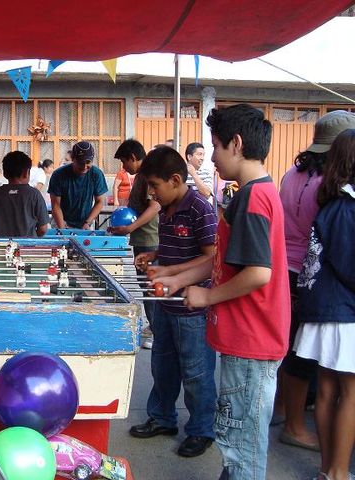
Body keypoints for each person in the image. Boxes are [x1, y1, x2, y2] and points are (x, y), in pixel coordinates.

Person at [154, 104, 290, 479]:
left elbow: (259, 273)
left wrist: (207, 296)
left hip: (253, 338)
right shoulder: (249, 193)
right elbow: (225, 262)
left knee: (242, 445)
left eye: (215, 146)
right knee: (235, 440)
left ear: (237, 143)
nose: (211, 157)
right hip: (244, 337)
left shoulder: (254, 198)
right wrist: (181, 279)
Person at [128, 146, 218, 459]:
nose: (151, 193)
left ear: (176, 179)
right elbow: (174, 248)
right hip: (166, 305)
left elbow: (210, 258)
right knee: (162, 367)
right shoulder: (166, 209)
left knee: (196, 373)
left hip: (192, 309)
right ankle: (163, 418)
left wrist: (172, 272)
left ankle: (202, 429)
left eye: (154, 185)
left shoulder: (199, 209)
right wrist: (154, 256)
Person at [276, 110, 355, 452]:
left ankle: (284, 413)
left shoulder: (293, 174)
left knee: (294, 351)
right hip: (320, 279)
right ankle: (294, 426)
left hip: (290, 271)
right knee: (308, 362)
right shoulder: (332, 189)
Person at [294, 129, 355, 480]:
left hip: (325, 308)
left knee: (329, 390)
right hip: (342, 311)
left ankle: (328, 469)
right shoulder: (347, 208)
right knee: (347, 393)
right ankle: (338, 471)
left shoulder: (332, 203)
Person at [111, 139, 160, 350]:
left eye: (124, 162)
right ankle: (154, 327)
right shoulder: (141, 175)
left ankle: (158, 331)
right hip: (142, 239)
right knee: (144, 286)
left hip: (149, 240)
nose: (124, 167)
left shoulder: (148, 174)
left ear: (133, 157)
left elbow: (155, 206)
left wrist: (131, 227)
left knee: (150, 287)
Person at [0, 150, 49, 237]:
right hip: (28, 248)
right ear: (26, 173)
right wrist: (31, 238)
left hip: (2, 248)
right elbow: (43, 229)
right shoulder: (35, 194)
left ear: (4, 173)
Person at [48, 141, 108, 229]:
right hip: (60, 221)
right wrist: (62, 228)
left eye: (88, 162)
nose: (84, 167)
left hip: (85, 223)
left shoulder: (96, 174)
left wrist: (88, 222)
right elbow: (55, 205)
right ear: (73, 159)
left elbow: (99, 202)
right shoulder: (58, 175)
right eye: (80, 162)